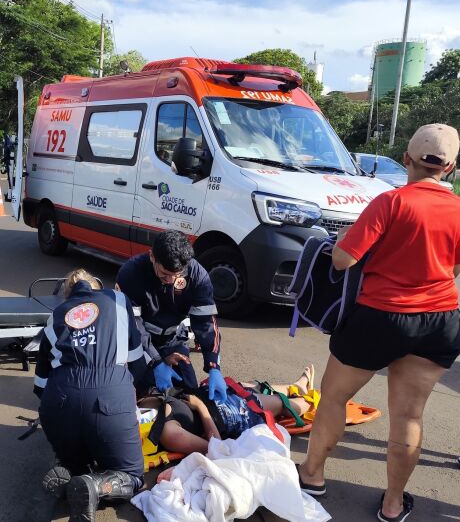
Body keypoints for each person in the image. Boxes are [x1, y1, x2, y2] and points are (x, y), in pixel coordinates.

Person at [297, 124, 460, 522]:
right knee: (409, 416)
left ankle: (313, 474)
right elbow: (454, 268)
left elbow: (342, 259)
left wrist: (348, 236)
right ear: (451, 168)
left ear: (407, 158)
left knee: (334, 397)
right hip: (440, 320)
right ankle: (392, 504)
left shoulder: (390, 202)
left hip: (380, 316)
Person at [33, 269, 147, 522]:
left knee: (78, 458)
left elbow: (40, 385)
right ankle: (94, 486)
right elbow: (137, 360)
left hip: (59, 400)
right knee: (132, 476)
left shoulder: (57, 316)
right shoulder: (117, 301)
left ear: (68, 294)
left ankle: (72, 473)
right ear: (96, 286)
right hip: (109, 396)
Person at [116, 230, 227, 402]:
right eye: (164, 274)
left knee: (190, 390)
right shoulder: (131, 273)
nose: (170, 280)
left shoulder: (197, 275)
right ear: (152, 256)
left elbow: (205, 323)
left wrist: (214, 366)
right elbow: (132, 326)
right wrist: (155, 362)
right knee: (140, 392)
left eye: (177, 274)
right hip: (139, 343)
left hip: (172, 339)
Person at [139, 365, 316, 455]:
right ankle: (317, 401)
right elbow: (217, 447)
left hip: (214, 396)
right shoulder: (169, 433)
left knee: (251, 387)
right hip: (229, 414)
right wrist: (201, 407)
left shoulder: (142, 404)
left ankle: (296, 387)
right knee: (280, 404)